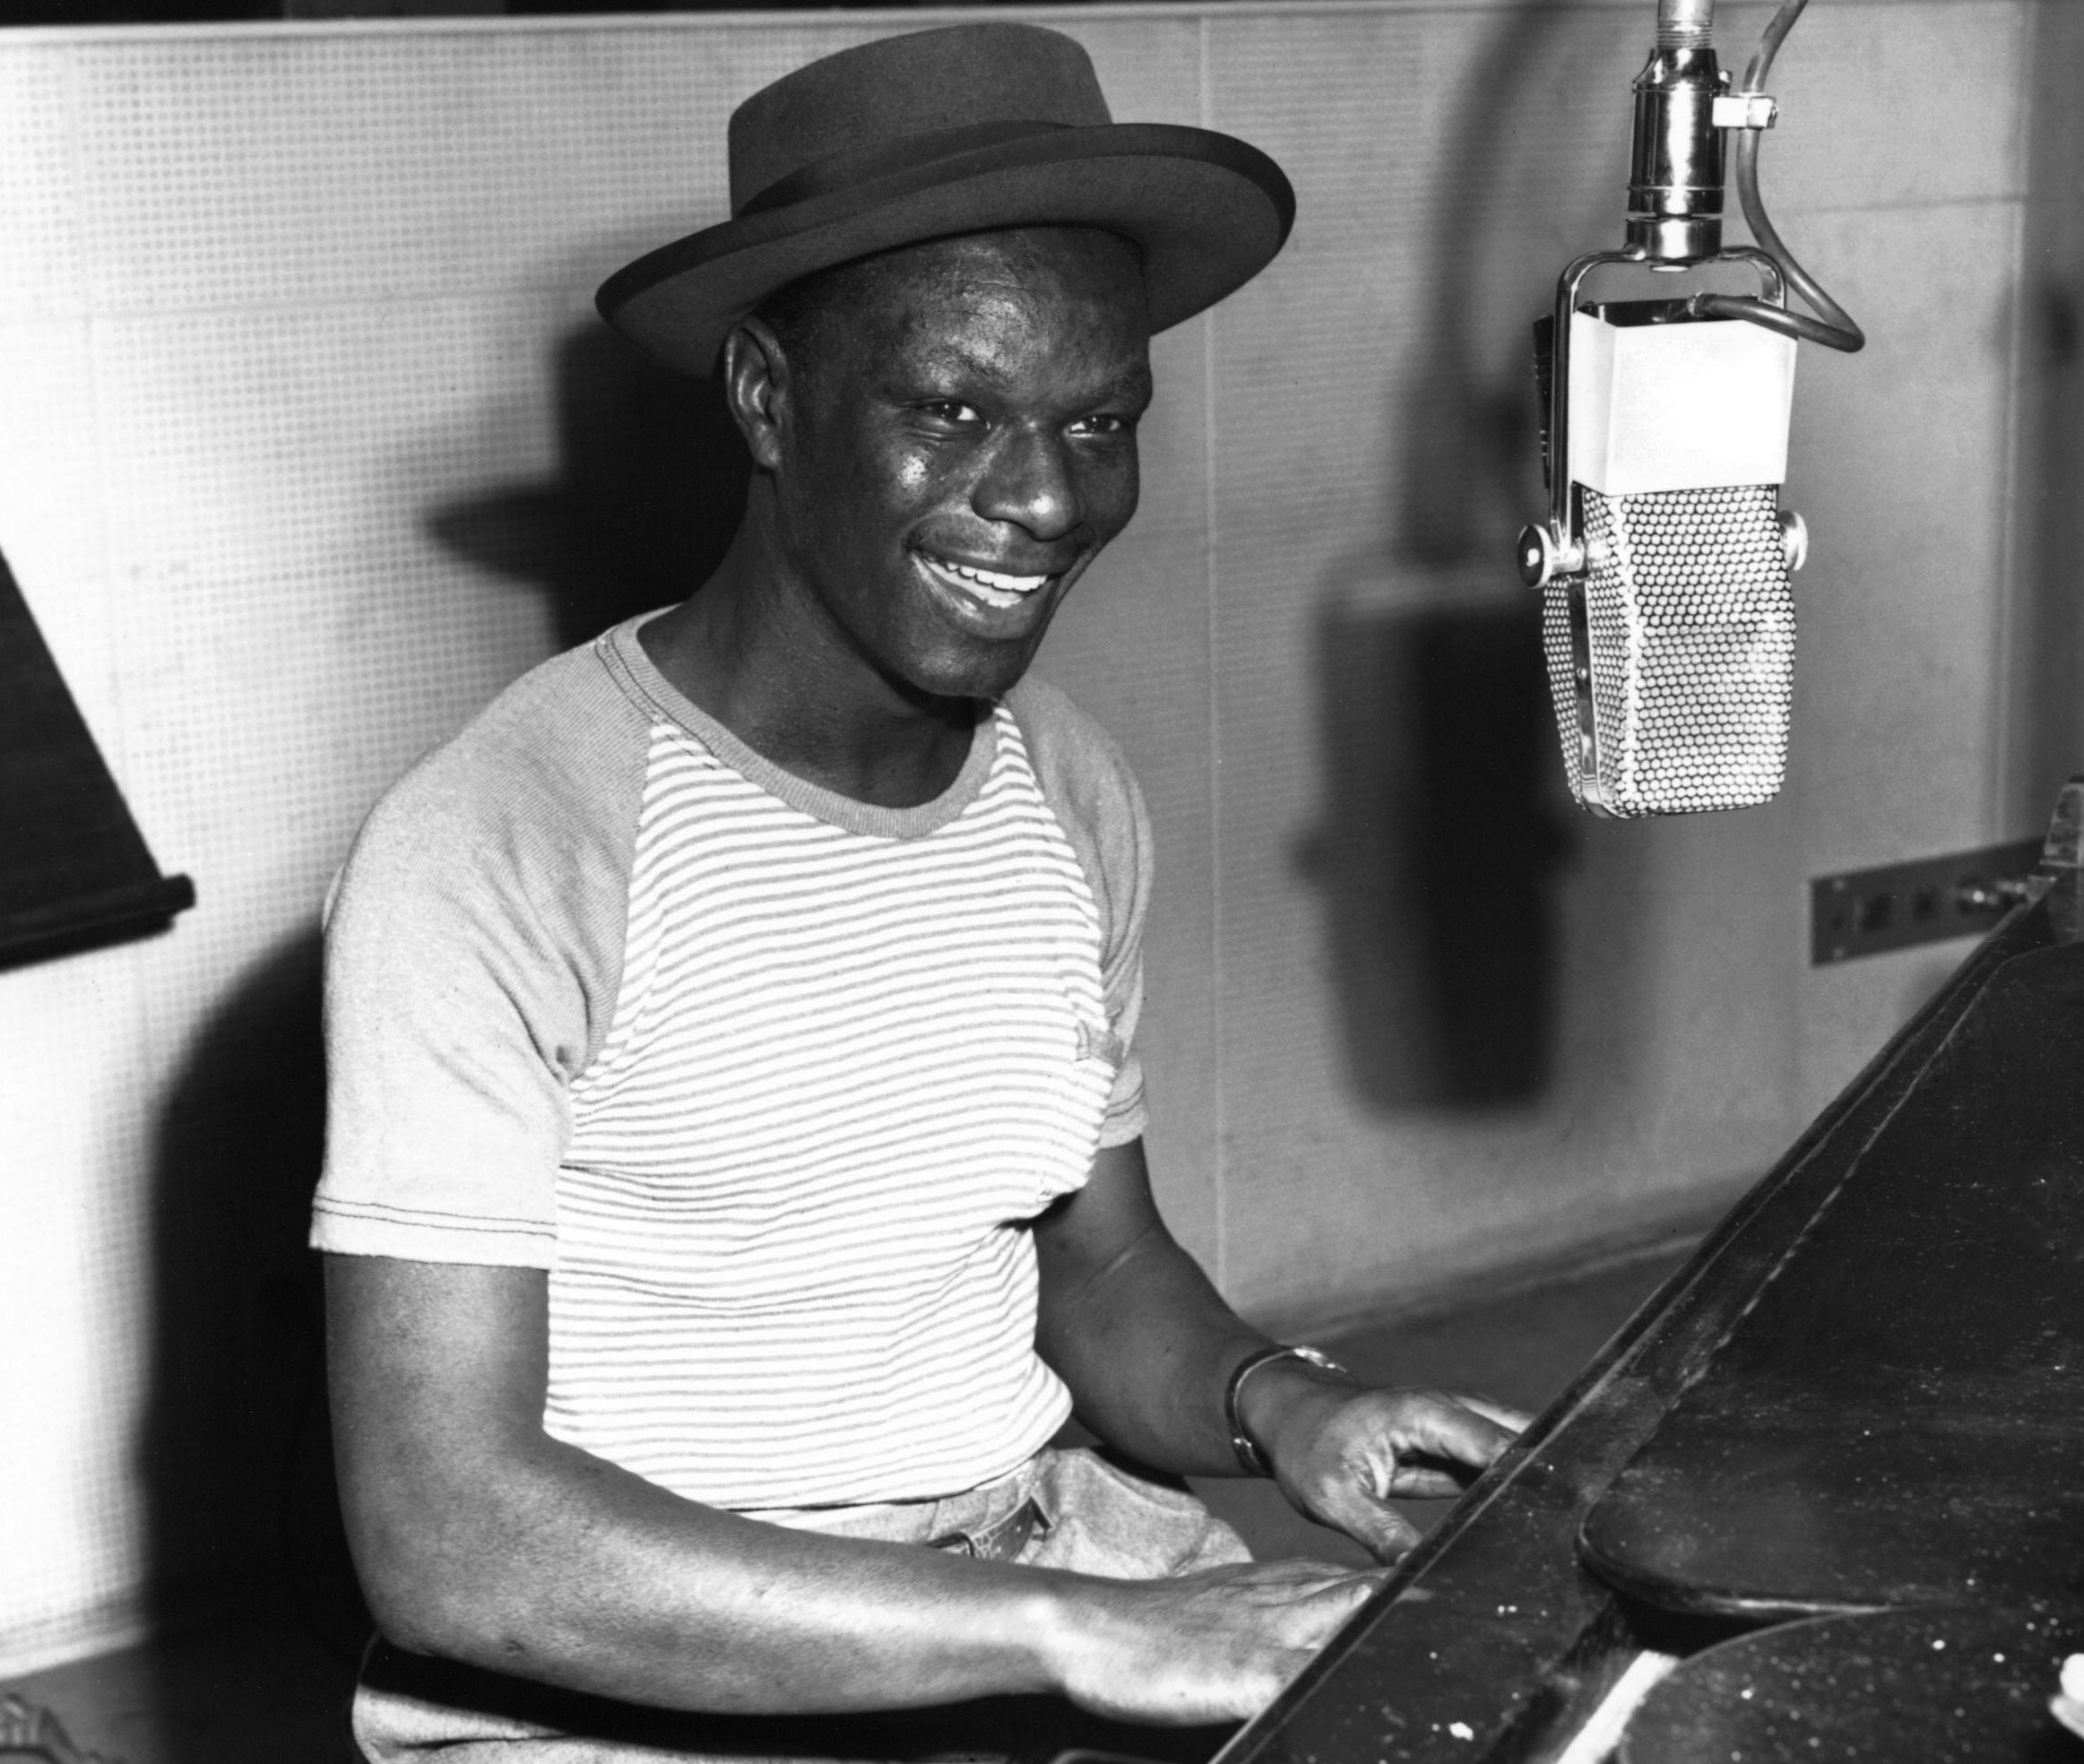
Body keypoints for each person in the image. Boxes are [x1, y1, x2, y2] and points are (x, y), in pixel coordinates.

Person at [314, 23, 1528, 1760]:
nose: (1041, 497)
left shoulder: (1064, 784)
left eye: (1097, 420)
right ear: (765, 396)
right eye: (950, 407)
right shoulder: (501, 842)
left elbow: (1097, 1271)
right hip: (647, 1659)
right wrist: (1079, 1635)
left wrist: (1292, 1403)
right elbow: (456, 1544)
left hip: (1037, 1545)